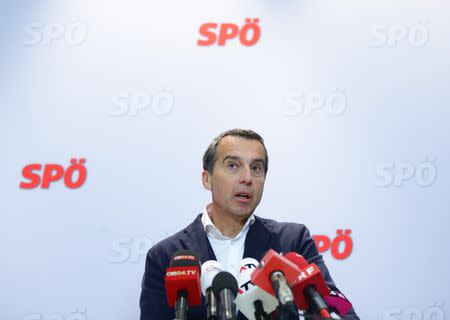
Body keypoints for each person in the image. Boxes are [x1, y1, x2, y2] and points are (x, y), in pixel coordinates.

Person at [140, 129, 359, 319]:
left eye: (256, 168)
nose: (247, 178)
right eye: (233, 165)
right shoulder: (166, 256)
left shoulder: (292, 241)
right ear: (207, 179)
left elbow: (339, 309)